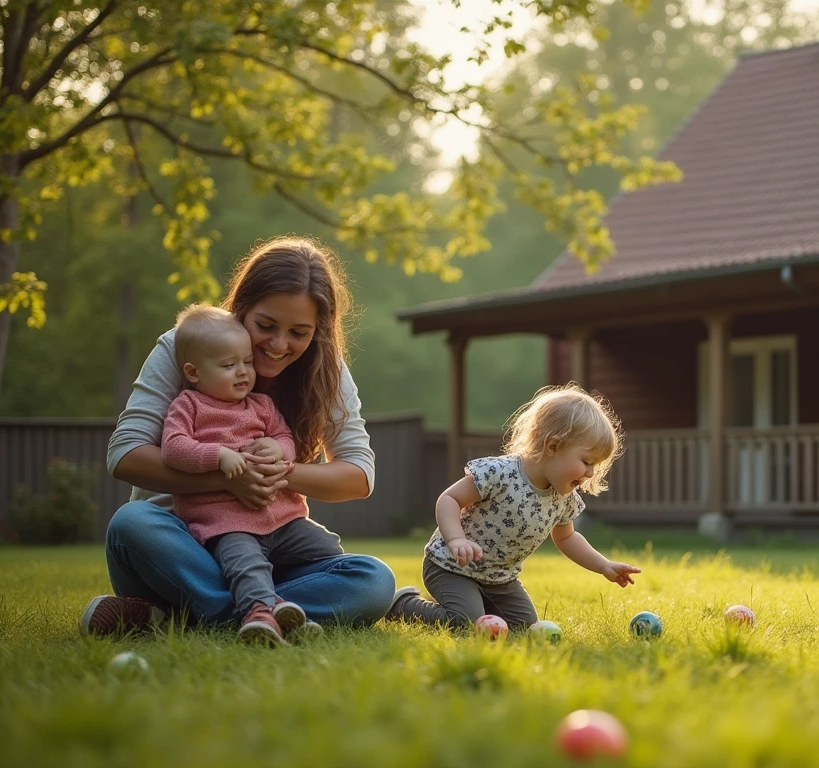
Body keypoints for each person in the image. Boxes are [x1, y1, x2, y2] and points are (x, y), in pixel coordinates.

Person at [81, 236, 399, 638]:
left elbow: (358, 476)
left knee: (374, 580)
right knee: (131, 522)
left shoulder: (325, 370)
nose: (279, 344)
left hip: (271, 550)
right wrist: (228, 478)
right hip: (179, 554)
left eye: (299, 332)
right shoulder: (187, 346)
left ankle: (189, 616)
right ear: (241, 307)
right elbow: (125, 454)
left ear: (317, 331)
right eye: (265, 326)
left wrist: (280, 473)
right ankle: (266, 610)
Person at [159, 304, 346, 646]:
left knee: (330, 549)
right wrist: (219, 456)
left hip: (283, 521)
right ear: (194, 372)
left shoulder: (261, 404)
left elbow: (284, 438)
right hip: (226, 525)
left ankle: (282, 606)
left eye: (247, 362)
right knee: (246, 563)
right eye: (229, 365)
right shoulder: (188, 405)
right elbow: (173, 447)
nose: (243, 372)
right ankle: (260, 614)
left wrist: (278, 449)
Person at [388, 384, 641, 630]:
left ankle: (472, 603)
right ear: (552, 446)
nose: (590, 473)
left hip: (500, 580)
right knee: (465, 623)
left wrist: (603, 565)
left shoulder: (563, 497)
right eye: (586, 461)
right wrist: (456, 540)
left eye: (595, 465)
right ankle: (403, 604)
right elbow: (449, 499)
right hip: (452, 567)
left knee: (524, 627)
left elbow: (567, 538)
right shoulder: (500, 473)